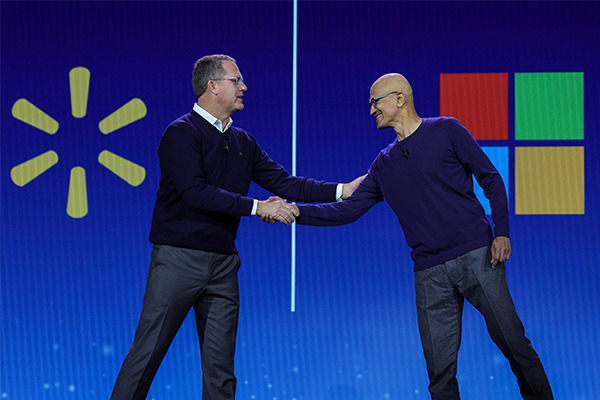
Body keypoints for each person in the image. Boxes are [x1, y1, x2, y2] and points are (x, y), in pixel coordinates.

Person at [110, 54, 363, 400]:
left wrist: (342, 190)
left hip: (224, 265)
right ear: (213, 87)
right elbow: (196, 193)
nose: (244, 87)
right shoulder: (181, 133)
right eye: (236, 80)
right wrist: (260, 208)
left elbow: (285, 183)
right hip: (178, 262)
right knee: (147, 354)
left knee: (221, 371)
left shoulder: (244, 142)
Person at [292, 73, 554, 400]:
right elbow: (347, 211)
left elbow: (491, 178)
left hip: (477, 258)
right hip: (430, 275)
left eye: (376, 101)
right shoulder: (382, 165)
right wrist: (296, 212)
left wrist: (502, 232)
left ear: (399, 99)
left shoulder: (446, 130)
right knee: (439, 375)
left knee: (515, 345)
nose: (371, 109)